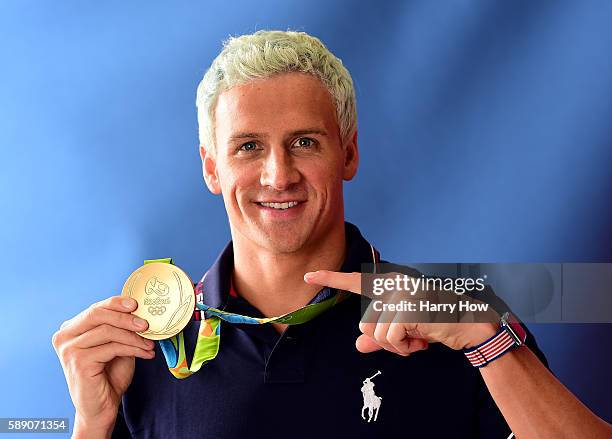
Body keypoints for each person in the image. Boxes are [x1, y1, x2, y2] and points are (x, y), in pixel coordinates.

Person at [52, 30, 612, 438]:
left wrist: (488, 344)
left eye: (304, 142)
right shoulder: (146, 355)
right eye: (248, 146)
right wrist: (91, 426)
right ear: (211, 168)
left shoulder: (461, 321)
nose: (278, 175)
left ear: (348, 153)